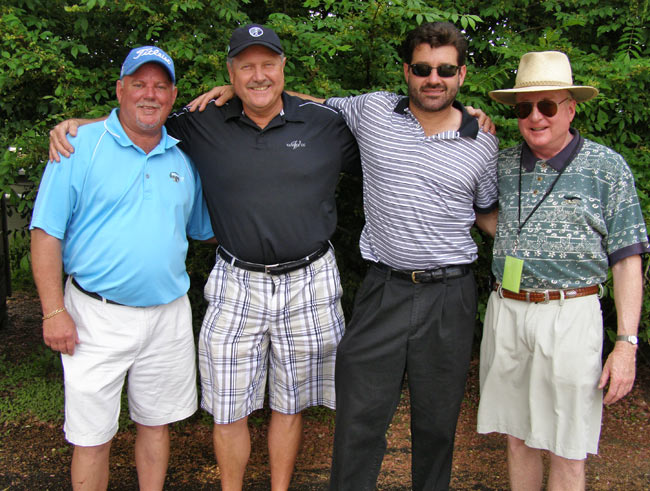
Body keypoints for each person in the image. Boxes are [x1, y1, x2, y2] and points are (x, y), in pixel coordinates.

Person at [49, 25, 361, 491]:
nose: (259, 76)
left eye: (268, 65)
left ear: (283, 68)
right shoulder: (199, 122)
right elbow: (138, 120)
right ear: (230, 74)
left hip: (310, 277)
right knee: (229, 406)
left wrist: (465, 116)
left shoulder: (326, 124)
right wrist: (77, 125)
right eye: (246, 67)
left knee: (291, 403)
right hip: (236, 279)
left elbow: (393, 134)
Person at [191, 20, 499, 490]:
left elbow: (488, 216)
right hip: (384, 288)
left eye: (445, 69)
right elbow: (301, 104)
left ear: (461, 75)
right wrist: (236, 89)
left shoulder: (483, 140)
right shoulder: (372, 111)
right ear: (406, 71)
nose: (432, 78)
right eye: (422, 68)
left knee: (437, 423)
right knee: (359, 417)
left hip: (450, 293)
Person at [31, 46, 213, 490]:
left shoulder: (183, 158)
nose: (149, 94)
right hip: (94, 315)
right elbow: (45, 234)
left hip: (167, 314)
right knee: (91, 438)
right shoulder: (78, 147)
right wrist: (53, 311)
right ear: (120, 89)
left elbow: (203, 230)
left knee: (156, 424)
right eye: (138, 84)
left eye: (160, 85)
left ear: (172, 96)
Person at [477, 51, 649, 490]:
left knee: (567, 447)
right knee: (517, 439)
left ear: (571, 108)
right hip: (508, 310)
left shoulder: (606, 168)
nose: (535, 117)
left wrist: (626, 344)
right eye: (524, 108)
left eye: (547, 105)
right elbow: (490, 218)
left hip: (571, 315)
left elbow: (628, 259)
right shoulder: (501, 163)